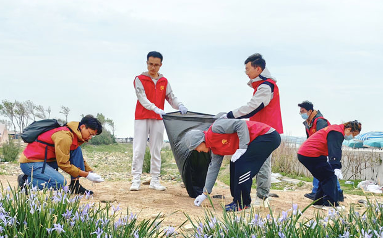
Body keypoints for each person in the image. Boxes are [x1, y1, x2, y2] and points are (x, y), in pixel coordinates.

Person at [221, 53, 283, 207]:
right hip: (261, 130)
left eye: (248, 69)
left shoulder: (266, 86)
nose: (246, 72)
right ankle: (261, 196)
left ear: (258, 69)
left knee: (262, 163)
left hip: (266, 131)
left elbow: (253, 107)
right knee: (261, 163)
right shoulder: (262, 86)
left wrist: (230, 115)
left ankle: (262, 197)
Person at [184, 119, 281, 212]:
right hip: (256, 141)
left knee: (242, 166)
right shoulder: (215, 149)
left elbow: (240, 124)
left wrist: (242, 147)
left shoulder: (215, 129)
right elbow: (213, 168)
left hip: (267, 136)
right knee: (234, 163)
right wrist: (205, 193)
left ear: (200, 141)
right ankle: (237, 201)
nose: (198, 151)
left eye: (196, 147)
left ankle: (243, 203)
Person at [131, 51, 188, 191]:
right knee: (139, 149)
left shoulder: (164, 81)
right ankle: (135, 179)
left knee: (156, 149)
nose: (153, 67)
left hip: (158, 119)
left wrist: (179, 105)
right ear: (147, 63)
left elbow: (171, 97)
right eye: (150, 64)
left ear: (161, 65)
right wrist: (155, 108)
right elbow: (142, 98)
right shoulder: (139, 79)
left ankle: (155, 180)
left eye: (156, 65)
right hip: (142, 117)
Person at [18, 115, 104, 194]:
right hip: (31, 162)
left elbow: (77, 157)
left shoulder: (73, 136)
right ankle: (25, 181)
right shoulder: (64, 136)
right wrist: (86, 175)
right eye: (90, 134)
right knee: (59, 183)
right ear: (82, 127)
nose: (90, 137)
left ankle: (75, 186)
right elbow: (63, 163)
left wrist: (90, 171)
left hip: (47, 161)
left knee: (76, 149)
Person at [297, 120, 361, 208]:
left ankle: (318, 202)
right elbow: (335, 149)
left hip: (309, 154)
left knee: (324, 177)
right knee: (330, 177)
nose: (352, 137)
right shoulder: (337, 132)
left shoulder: (335, 129)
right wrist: (336, 166)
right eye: (353, 134)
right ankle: (330, 204)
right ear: (349, 129)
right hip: (311, 154)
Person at [298, 100, 343, 201]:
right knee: (321, 172)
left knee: (328, 173)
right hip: (314, 150)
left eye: (303, 111)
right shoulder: (308, 123)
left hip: (323, 150)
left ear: (310, 111)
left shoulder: (320, 121)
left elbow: (322, 137)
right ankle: (318, 192)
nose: (301, 113)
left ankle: (337, 192)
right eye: (300, 111)